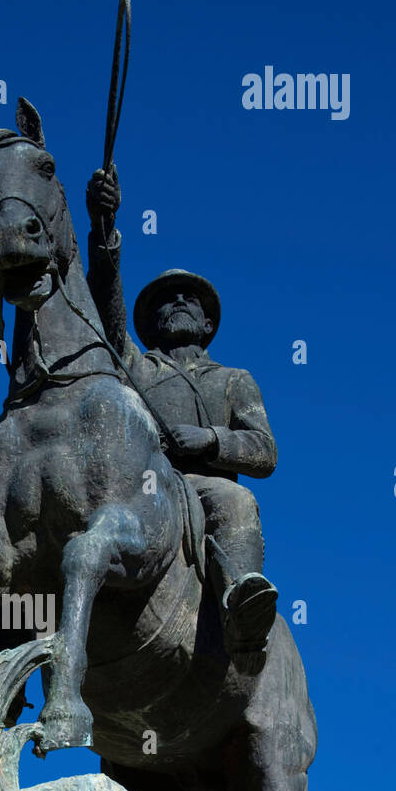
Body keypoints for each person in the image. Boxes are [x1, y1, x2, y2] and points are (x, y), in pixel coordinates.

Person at [86, 166, 279, 670]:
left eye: (187, 299)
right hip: (144, 490)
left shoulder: (234, 379)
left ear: (208, 322)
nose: (176, 304)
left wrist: (210, 441)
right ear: (149, 324)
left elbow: (264, 451)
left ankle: (241, 603)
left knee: (237, 498)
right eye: (165, 302)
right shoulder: (136, 365)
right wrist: (104, 229)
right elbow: (106, 310)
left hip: (202, 490)